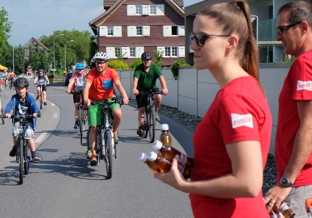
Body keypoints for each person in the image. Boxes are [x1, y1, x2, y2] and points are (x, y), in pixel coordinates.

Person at [153, 1, 272, 217]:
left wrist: (183, 185)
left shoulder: (235, 98)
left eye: (202, 38)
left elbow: (248, 183)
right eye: (192, 37)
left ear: (231, 43)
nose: (193, 46)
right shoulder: (240, 89)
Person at [264, 1, 312, 217]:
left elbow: (309, 126)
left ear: (303, 27)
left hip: (299, 183)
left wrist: (286, 181)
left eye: (282, 29)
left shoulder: (304, 64)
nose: (277, 37)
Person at [83, 52, 129, 166]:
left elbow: (118, 84)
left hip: (109, 99)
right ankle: (93, 153)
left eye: (102, 63)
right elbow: (86, 87)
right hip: (95, 101)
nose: (99, 65)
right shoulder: (91, 73)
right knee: (94, 128)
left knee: (118, 114)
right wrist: (85, 99)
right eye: (97, 63)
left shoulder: (111, 72)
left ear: (106, 63)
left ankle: (113, 131)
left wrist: (124, 96)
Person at [4, 77, 41, 162]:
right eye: (18, 89)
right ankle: (15, 147)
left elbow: (34, 106)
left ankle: (33, 153)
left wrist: (36, 113)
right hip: (17, 119)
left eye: (22, 88)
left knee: (28, 135)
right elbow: (9, 105)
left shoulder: (30, 98)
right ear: (16, 90)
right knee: (15, 133)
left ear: (27, 89)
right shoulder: (15, 98)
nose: (20, 90)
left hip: (29, 120)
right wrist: (7, 113)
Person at [132, 51, 168, 136]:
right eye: (144, 60)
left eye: (148, 60)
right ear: (142, 61)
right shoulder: (139, 68)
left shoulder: (154, 67)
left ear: (151, 60)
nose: (146, 61)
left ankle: (155, 111)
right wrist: (134, 89)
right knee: (141, 109)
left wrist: (165, 88)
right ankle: (141, 127)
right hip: (141, 90)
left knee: (158, 96)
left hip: (152, 89)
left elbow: (161, 78)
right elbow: (135, 79)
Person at [66, 63, 87, 129]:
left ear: (83, 70)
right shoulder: (75, 75)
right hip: (77, 90)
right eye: (78, 70)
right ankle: (76, 121)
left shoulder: (86, 74)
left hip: (85, 90)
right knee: (76, 106)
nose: (80, 71)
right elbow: (71, 82)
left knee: (86, 103)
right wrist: (69, 89)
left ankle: (86, 116)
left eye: (81, 69)